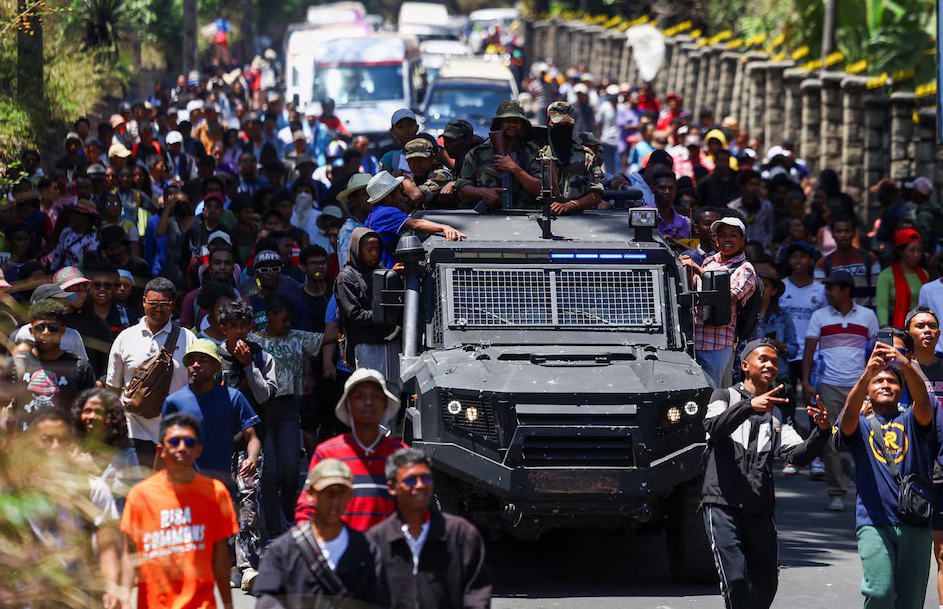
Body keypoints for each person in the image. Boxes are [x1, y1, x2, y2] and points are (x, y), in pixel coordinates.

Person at [702, 339, 830, 609]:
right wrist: (749, 405)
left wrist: (821, 432)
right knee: (736, 581)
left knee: (766, 585)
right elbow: (714, 427)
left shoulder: (778, 413)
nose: (771, 365)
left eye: (774, 361)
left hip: (759, 508)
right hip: (722, 504)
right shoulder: (723, 396)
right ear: (744, 365)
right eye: (763, 359)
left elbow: (798, 455)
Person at [836, 337, 937, 609]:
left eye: (891, 381)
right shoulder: (860, 424)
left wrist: (905, 365)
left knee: (911, 602)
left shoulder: (911, 419)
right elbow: (846, 421)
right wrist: (865, 374)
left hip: (915, 522)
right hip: (873, 523)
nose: (884, 384)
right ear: (867, 390)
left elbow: (923, 402)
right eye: (877, 381)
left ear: (901, 389)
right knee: (879, 592)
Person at [161, 338, 264, 590]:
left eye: (203, 360)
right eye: (192, 361)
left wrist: (251, 458)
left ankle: (243, 567)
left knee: (239, 512)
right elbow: (164, 445)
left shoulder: (233, 397)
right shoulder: (174, 401)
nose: (196, 365)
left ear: (216, 366)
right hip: (189, 480)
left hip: (225, 476)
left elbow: (253, 437)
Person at [120, 412, 239, 609]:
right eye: (174, 442)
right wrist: (123, 597)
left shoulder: (216, 493)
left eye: (190, 443)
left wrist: (228, 605)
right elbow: (129, 554)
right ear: (161, 450)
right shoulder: (139, 495)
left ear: (199, 450)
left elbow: (221, 559)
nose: (182, 448)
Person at [254, 459, 388, 608]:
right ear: (310, 493)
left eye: (342, 492)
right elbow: (267, 600)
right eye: (327, 492)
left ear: (350, 495)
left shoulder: (366, 549)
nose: (335, 500)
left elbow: (379, 599)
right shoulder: (284, 550)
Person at [368, 447, 492, 608]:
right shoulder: (376, 540)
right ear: (392, 487)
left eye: (426, 479)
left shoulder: (462, 534)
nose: (420, 485)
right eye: (410, 480)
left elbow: (477, 594)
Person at [249, 296, 328, 536]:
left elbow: (327, 338)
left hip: (288, 407)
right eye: (283, 319)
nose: (287, 324)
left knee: (291, 469)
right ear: (270, 317)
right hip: (262, 408)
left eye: (290, 320)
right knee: (269, 471)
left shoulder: (296, 337)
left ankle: (288, 511)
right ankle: (274, 529)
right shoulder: (254, 341)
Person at [803, 270, 879, 510]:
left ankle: (868, 490)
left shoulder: (868, 316)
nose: (826, 292)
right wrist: (805, 382)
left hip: (861, 386)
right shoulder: (819, 316)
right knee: (830, 440)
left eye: (831, 288)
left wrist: (874, 382)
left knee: (867, 438)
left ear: (845, 290)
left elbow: (875, 351)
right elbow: (809, 350)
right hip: (829, 385)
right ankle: (836, 492)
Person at [296, 369, 406, 531]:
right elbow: (307, 508)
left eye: (375, 397)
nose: (368, 402)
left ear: (384, 405)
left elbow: (416, 511)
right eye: (359, 397)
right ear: (348, 406)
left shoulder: (401, 455)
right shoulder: (327, 453)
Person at [106, 278, 197, 470]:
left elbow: (196, 388)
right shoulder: (125, 338)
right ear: (143, 302)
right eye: (153, 303)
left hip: (174, 437)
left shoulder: (188, 339)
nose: (158, 309)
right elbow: (112, 389)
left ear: (173, 305)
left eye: (164, 304)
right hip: (133, 434)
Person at [680, 216, 757, 388]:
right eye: (722, 235)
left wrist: (700, 272)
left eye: (733, 235)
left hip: (717, 345)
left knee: (714, 393)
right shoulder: (709, 261)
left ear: (742, 241)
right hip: (693, 340)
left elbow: (727, 299)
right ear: (716, 240)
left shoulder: (745, 269)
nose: (727, 239)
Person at [2, 298, 97, 430]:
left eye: (53, 328)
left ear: (62, 331)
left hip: (64, 441)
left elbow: (89, 411)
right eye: (40, 327)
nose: (46, 332)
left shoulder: (80, 368)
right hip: (24, 441)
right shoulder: (16, 364)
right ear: (31, 331)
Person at [364, 171, 464, 269]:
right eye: (399, 192)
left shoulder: (373, 214)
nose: (401, 197)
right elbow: (415, 224)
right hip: (387, 269)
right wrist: (444, 227)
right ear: (388, 199)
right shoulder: (387, 212)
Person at [456, 100, 542, 210]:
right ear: (499, 123)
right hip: (486, 216)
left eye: (517, 121)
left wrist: (515, 169)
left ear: (523, 125)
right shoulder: (478, 153)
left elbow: (540, 189)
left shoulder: (532, 152)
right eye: (508, 120)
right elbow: (461, 187)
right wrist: (482, 192)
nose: (512, 124)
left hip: (523, 215)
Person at [538, 101, 603, 215]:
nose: (562, 129)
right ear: (549, 124)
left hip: (577, 218)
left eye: (567, 125)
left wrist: (569, 205)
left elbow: (596, 195)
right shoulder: (538, 154)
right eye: (558, 124)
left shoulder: (586, 157)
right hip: (540, 217)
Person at [814, 214, 881, 308]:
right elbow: (820, 297)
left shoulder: (870, 258)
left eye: (847, 231)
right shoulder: (822, 264)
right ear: (832, 234)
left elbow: (877, 292)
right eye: (839, 231)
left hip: (865, 314)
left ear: (854, 233)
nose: (843, 235)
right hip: (834, 315)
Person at [877, 228, 930, 328]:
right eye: (911, 251)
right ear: (900, 251)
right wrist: (885, 326)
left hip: (920, 325)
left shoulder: (924, 274)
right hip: (895, 324)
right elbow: (882, 306)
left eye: (919, 250)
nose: (916, 255)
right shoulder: (886, 275)